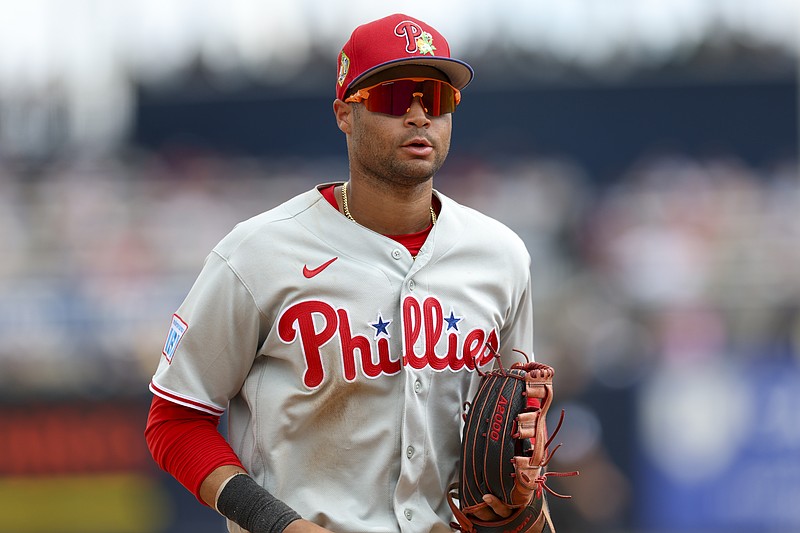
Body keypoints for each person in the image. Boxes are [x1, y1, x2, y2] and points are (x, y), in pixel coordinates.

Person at [145, 13, 534, 533]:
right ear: (344, 114)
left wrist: (522, 491)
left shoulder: (500, 255)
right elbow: (175, 421)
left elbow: (514, 421)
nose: (419, 116)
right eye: (396, 97)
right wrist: (274, 522)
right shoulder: (257, 252)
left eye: (437, 100)